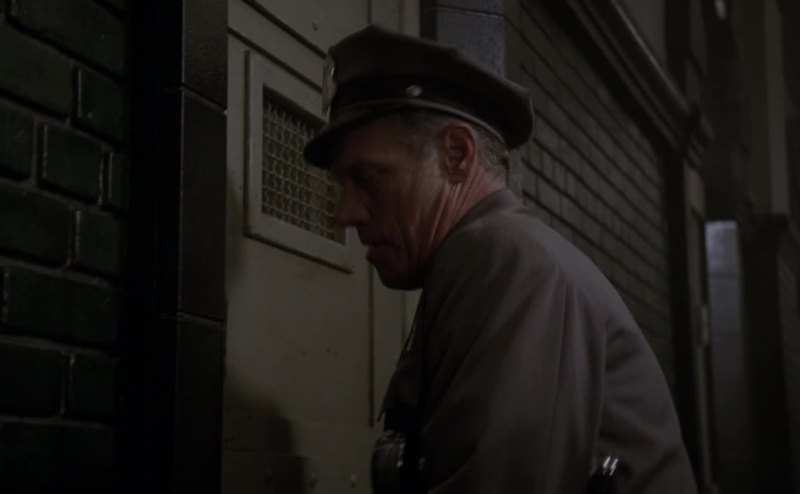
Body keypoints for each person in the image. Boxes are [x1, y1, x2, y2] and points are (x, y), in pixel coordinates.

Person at [304, 25, 697, 493]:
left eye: (368, 178)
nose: (345, 212)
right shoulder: (492, 257)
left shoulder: (503, 259)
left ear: (457, 154)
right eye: (342, 185)